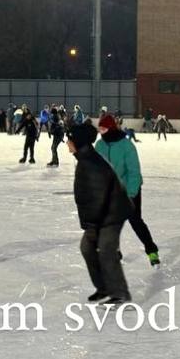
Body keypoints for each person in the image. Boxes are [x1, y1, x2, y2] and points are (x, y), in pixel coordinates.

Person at [68, 122, 131, 305]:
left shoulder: (90, 164)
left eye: (69, 140)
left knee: (106, 250)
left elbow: (97, 200)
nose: (67, 143)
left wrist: (93, 228)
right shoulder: (85, 159)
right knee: (87, 248)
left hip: (112, 213)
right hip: (103, 213)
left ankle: (120, 294)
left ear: (78, 142)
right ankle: (104, 287)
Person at [96, 114, 160, 268]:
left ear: (110, 128)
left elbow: (134, 172)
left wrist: (131, 193)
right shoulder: (100, 145)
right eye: (100, 129)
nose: (101, 132)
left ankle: (152, 251)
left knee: (136, 222)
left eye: (104, 129)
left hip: (130, 189)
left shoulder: (126, 146)